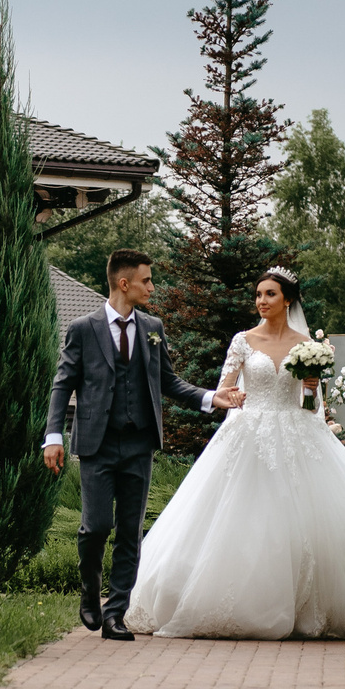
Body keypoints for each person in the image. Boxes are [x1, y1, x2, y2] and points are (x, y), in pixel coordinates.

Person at [125, 267, 345, 640]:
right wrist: (233, 397)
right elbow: (225, 391)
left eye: (270, 294)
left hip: (297, 433)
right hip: (247, 434)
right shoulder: (242, 341)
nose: (261, 301)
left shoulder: (308, 346)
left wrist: (310, 387)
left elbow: (311, 407)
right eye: (258, 295)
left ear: (287, 300)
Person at [44, 248, 242, 640]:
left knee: (130, 531)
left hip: (139, 443)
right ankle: (89, 588)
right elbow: (63, 382)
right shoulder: (84, 328)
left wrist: (210, 398)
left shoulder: (153, 326)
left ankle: (116, 612)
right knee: (96, 526)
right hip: (96, 443)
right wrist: (53, 436)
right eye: (146, 280)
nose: (152, 287)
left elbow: (167, 381)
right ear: (124, 283)